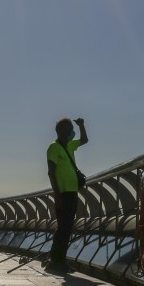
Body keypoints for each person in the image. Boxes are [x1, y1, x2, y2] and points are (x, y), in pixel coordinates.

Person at [45, 117, 88, 275]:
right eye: (70, 128)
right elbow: (51, 172)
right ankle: (57, 262)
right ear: (62, 131)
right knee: (64, 227)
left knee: (66, 227)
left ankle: (56, 260)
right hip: (63, 193)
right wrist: (57, 196)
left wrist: (82, 125)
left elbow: (84, 140)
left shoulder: (69, 145)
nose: (72, 132)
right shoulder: (54, 148)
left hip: (72, 192)